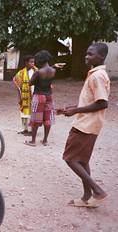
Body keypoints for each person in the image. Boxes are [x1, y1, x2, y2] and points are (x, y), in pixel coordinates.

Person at [60, 43, 110, 207]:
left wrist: (76, 111)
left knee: (70, 158)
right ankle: (87, 197)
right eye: (86, 54)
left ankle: (97, 190)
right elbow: (92, 99)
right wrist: (73, 107)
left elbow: (102, 103)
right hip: (88, 123)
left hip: (85, 125)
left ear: (101, 56)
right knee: (82, 160)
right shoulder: (97, 73)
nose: (86, 56)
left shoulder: (97, 76)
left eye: (90, 54)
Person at [25, 50, 56, 147]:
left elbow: (30, 83)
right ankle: (45, 140)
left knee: (35, 119)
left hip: (38, 96)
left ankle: (33, 141)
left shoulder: (38, 72)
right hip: (49, 96)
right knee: (47, 119)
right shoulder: (53, 70)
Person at [13, 55, 37, 136]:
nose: (33, 63)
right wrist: (19, 97)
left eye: (33, 62)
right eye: (31, 62)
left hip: (34, 95)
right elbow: (18, 86)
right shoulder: (21, 73)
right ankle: (25, 129)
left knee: (32, 113)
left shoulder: (36, 71)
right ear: (26, 63)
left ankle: (31, 130)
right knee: (23, 113)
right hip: (24, 96)